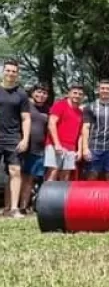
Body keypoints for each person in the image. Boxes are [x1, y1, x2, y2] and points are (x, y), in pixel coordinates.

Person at [0, 59, 31, 218]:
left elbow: (26, 118)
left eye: (14, 71)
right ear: (3, 71)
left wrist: (25, 139)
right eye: (8, 70)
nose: (11, 73)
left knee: (15, 171)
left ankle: (13, 209)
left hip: (13, 137)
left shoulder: (21, 94)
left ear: (17, 74)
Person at [81, 80, 109, 181]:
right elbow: (86, 127)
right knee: (92, 174)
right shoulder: (89, 107)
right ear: (98, 90)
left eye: (107, 89)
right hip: (94, 146)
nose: (105, 91)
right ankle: (90, 197)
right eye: (102, 88)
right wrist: (85, 148)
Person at [45, 84, 84, 182]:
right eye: (75, 93)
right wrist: (57, 144)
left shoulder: (80, 112)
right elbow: (51, 124)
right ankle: (48, 197)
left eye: (80, 94)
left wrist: (79, 150)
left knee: (66, 175)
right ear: (69, 94)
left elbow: (80, 134)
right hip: (55, 145)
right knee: (53, 172)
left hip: (71, 147)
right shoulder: (60, 105)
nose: (77, 96)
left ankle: (61, 198)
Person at [19, 83, 49, 213]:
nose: (41, 95)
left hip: (41, 149)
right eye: (38, 92)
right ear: (32, 93)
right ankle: (22, 207)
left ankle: (36, 206)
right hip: (27, 148)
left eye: (44, 93)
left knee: (37, 178)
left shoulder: (47, 110)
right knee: (26, 178)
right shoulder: (26, 105)